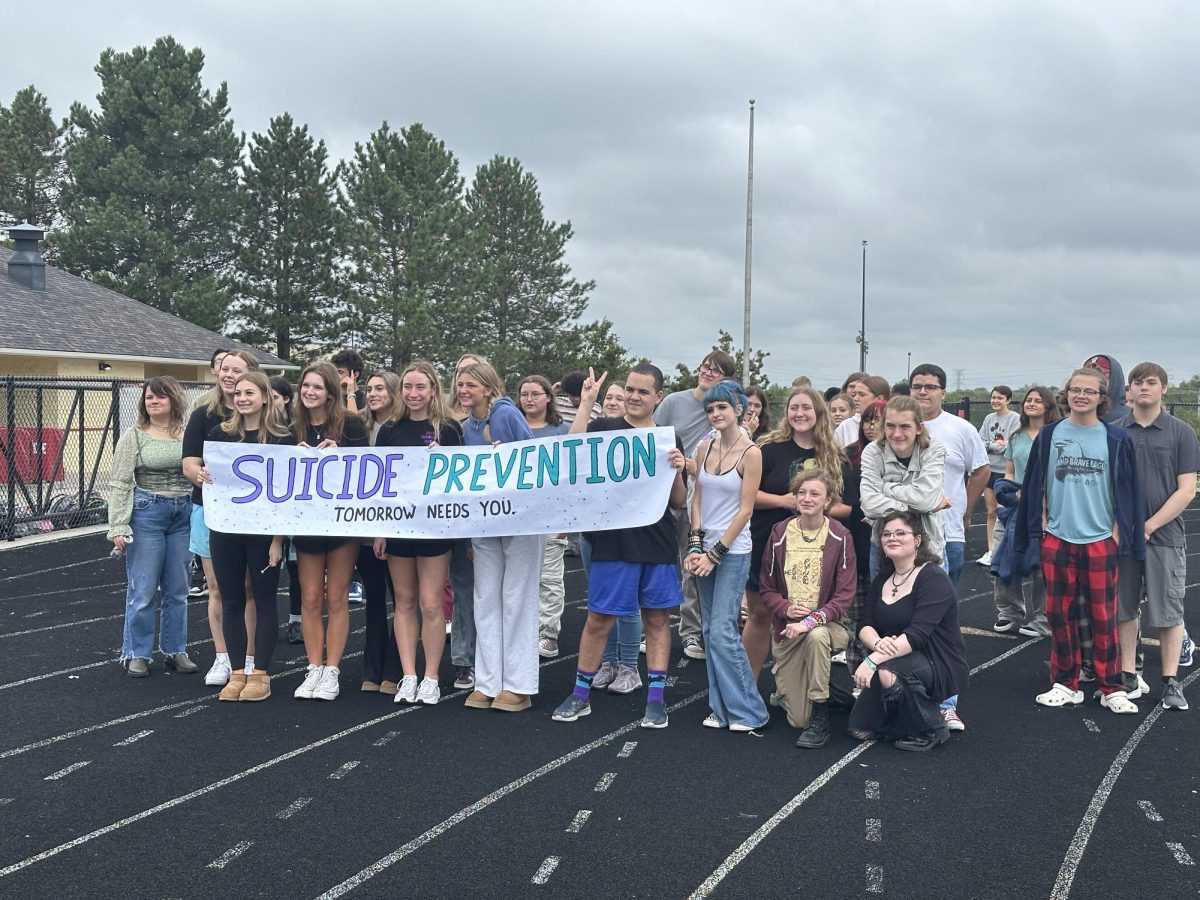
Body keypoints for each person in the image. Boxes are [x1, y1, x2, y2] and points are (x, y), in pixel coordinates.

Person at [552, 363, 688, 728]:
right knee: (599, 618)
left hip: (656, 540)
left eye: (643, 391)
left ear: (658, 397)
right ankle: (580, 694)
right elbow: (571, 452)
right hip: (612, 539)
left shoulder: (667, 437)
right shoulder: (605, 427)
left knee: (657, 618)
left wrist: (677, 469)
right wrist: (587, 402)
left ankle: (656, 700)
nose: (633, 396)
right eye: (630, 389)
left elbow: (677, 501)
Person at [1015, 366, 1145, 714]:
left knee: (1104, 616)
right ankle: (1065, 682)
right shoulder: (1049, 435)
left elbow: (1129, 491)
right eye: (1075, 389)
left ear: (1102, 398)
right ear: (1066, 393)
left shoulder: (1116, 439)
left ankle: (1111, 686)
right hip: (1057, 537)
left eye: (1089, 391)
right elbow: (1034, 484)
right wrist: (1039, 524)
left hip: (1101, 538)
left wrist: (1119, 532)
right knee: (1059, 615)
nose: (1081, 396)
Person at [195, 372, 292, 701]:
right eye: (238, 393)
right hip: (225, 530)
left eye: (250, 392)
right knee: (232, 600)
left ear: (265, 396)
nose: (243, 398)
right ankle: (238, 672)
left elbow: (287, 493)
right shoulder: (220, 434)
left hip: (264, 533)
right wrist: (201, 474)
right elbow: (200, 471)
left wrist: (279, 539)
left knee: (264, 601)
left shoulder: (282, 438)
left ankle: (261, 673)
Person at [746, 386, 852, 681]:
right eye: (794, 407)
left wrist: (815, 509)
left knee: (803, 616)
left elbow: (847, 506)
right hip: (766, 543)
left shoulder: (834, 456)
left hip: (815, 551)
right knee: (760, 615)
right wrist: (784, 501)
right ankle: (746, 688)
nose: (800, 414)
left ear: (819, 412)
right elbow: (746, 495)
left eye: (807, 408)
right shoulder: (768, 448)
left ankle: (793, 688)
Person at [458, 359, 543, 712]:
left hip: (520, 520)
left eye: (471, 385)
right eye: (460, 384)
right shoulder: (465, 427)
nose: (464, 391)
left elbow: (533, 461)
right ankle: (488, 681)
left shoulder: (506, 416)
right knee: (485, 598)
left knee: (516, 597)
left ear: (488, 388)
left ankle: (519, 685)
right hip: (483, 523)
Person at [375, 361, 462, 705]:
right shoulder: (389, 429)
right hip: (397, 525)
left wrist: (447, 461)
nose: (413, 394)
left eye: (420, 387)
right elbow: (379, 484)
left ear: (432, 390)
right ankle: (409, 675)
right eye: (407, 387)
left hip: (434, 527)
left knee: (430, 603)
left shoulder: (449, 429)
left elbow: (464, 481)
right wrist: (379, 530)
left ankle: (431, 676)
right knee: (405, 602)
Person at [685, 380, 768, 732]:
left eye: (722, 407)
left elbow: (745, 510)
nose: (715, 414)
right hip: (703, 547)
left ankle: (750, 710)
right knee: (707, 629)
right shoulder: (704, 449)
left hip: (732, 551)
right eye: (710, 409)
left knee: (722, 630)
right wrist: (694, 545)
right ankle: (720, 709)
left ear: (739, 410)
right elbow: (698, 501)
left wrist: (715, 553)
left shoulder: (752, 453)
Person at [848, 510, 969, 751]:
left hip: (936, 659)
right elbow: (864, 623)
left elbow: (917, 635)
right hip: (894, 654)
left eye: (901, 533)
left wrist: (873, 660)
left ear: (917, 540)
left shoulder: (933, 577)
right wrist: (877, 645)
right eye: (886, 534)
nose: (892, 538)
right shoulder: (885, 576)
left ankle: (931, 728)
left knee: (887, 673)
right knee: (859, 730)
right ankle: (902, 717)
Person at [1115, 362, 1197, 711]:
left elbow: (1187, 489)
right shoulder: (1116, 431)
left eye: (1151, 382)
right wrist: (1120, 527)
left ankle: (1170, 680)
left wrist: (1149, 525)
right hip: (1122, 537)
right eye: (1138, 382)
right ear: (1129, 391)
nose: (1144, 387)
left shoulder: (1181, 433)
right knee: (1124, 607)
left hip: (1165, 537)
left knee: (1168, 611)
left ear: (1163, 388)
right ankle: (1128, 673)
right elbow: (1108, 487)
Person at [758, 469, 857, 748]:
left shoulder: (840, 536)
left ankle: (821, 713)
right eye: (801, 492)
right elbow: (767, 587)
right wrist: (785, 608)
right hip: (789, 630)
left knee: (815, 637)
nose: (807, 498)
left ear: (828, 501)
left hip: (829, 627)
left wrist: (812, 620)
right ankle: (830, 691)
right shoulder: (780, 533)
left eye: (815, 493)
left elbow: (844, 595)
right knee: (797, 720)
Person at [290, 362, 370, 702]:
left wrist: (342, 456)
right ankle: (313, 666)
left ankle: (333, 668)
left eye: (318, 387)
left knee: (337, 597)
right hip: (306, 522)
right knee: (310, 597)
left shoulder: (350, 424)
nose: (310, 391)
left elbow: (369, 468)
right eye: (306, 385)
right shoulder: (290, 426)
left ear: (331, 393)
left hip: (342, 522)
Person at [182, 349, 262, 686]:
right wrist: (199, 474)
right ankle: (222, 657)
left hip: (254, 515)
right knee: (218, 589)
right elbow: (189, 462)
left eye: (237, 370)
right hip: (211, 510)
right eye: (224, 369)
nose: (229, 375)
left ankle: (250, 657)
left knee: (248, 588)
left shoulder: (266, 416)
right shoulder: (203, 415)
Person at [108, 376, 196, 677]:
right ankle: (137, 652)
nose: (154, 402)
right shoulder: (134, 435)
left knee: (178, 589)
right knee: (143, 589)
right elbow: (120, 482)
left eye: (160, 397)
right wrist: (118, 526)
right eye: (149, 398)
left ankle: (175, 650)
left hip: (184, 513)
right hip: (147, 514)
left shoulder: (189, 433)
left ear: (174, 400)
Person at [655, 349, 738, 660]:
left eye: (716, 371)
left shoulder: (722, 411)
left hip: (702, 498)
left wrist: (695, 467)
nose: (708, 373)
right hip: (665, 495)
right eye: (706, 366)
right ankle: (653, 627)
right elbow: (652, 435)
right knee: (660, 563)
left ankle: (691, 632)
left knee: (693, 565)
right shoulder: (674, 402)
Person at [991, 387, 1059, 636]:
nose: (1031, 403)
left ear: (1048, 406)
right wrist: (1007, 499)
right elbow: (1009, 471)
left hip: (1045, 507)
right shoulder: (1017, 436)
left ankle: (1043, 618)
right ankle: (1009, 611)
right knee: (1003, 558)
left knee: (1041, 564)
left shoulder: (1056, 436)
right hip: (1015, 506)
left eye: (1038, 400)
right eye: (1028, 400)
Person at [519, 375, 571, 659]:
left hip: (552, 514)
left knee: (550, 578)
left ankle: (548, 634)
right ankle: (523, 630)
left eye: (535, 394)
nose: (529, 399)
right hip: (518, 515)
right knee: (521, 578)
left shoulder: (562, 429)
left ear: (548, 397)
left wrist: (568, 517)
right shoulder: (513, 428)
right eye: (524, 394)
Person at [446, 353, 483, 690]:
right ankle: (463, 660)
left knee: (491, 596)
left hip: (489, 522)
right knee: (463, 593)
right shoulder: (446, 422)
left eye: (471, 379)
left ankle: (490, 659)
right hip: (459, 524)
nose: (463, 385)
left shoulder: (494, 420)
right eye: (459, 377)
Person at [977, 385, 1020, 566]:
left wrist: (993, 445)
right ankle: (991, 551)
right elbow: (980, 441)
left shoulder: (1015, 419)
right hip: (990, 469)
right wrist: (996, 445)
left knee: (1004, 512)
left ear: (1008, 400)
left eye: (1000, 398)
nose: (995, 401)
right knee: (991, 512)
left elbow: (1010, 446)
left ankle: (1005, 549)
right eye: (993, 397)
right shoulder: (988, 418)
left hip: (1006, 472)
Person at [834, 375, 890, 447]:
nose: (855, 399)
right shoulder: (845, 427)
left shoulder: (894, 424)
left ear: (879, 399)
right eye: (854, 395)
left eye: (861, 394)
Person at [331, 348, 366, 414]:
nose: (335, 375)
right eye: (333, 371)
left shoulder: (365, 401)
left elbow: (355, 422)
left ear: (355, 375)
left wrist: (350, 394)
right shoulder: (330, 397)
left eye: (340, 372)